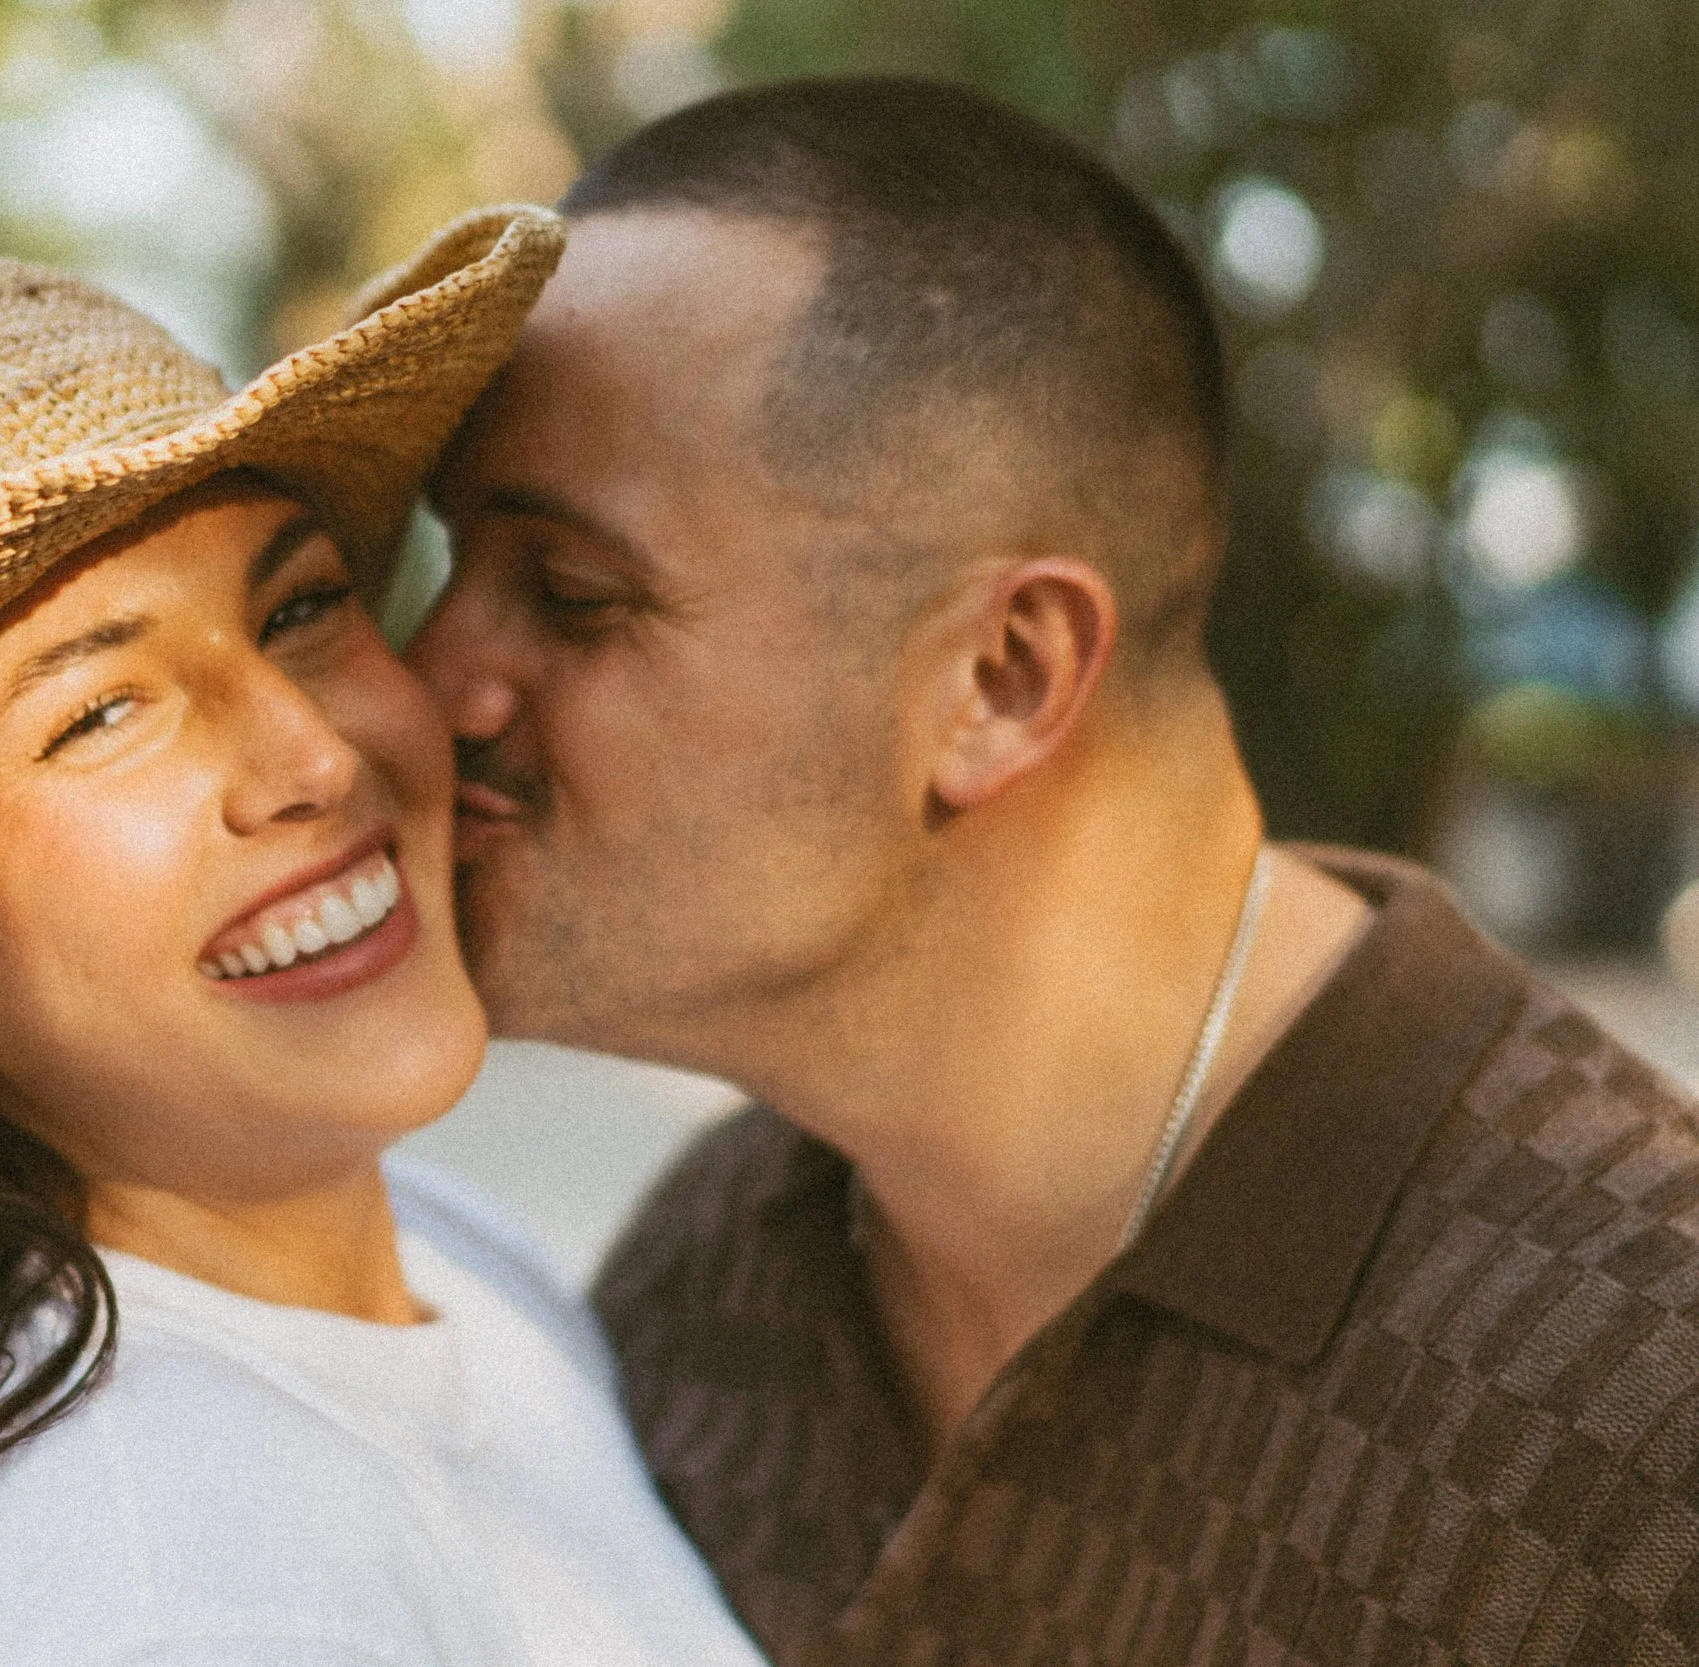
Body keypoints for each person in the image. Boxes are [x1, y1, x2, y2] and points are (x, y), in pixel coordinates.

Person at [409, 77, 1699, 1667]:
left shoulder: (1649, 1396)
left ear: (1003, 677)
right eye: (453, 564)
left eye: (570, 590)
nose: (429, 679)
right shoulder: (711, 1269)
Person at [0, 208, 767, 1667]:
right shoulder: (158, 1585)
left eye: (300, 608)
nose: (313, 752)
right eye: (100, 714)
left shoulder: (451, 1262)